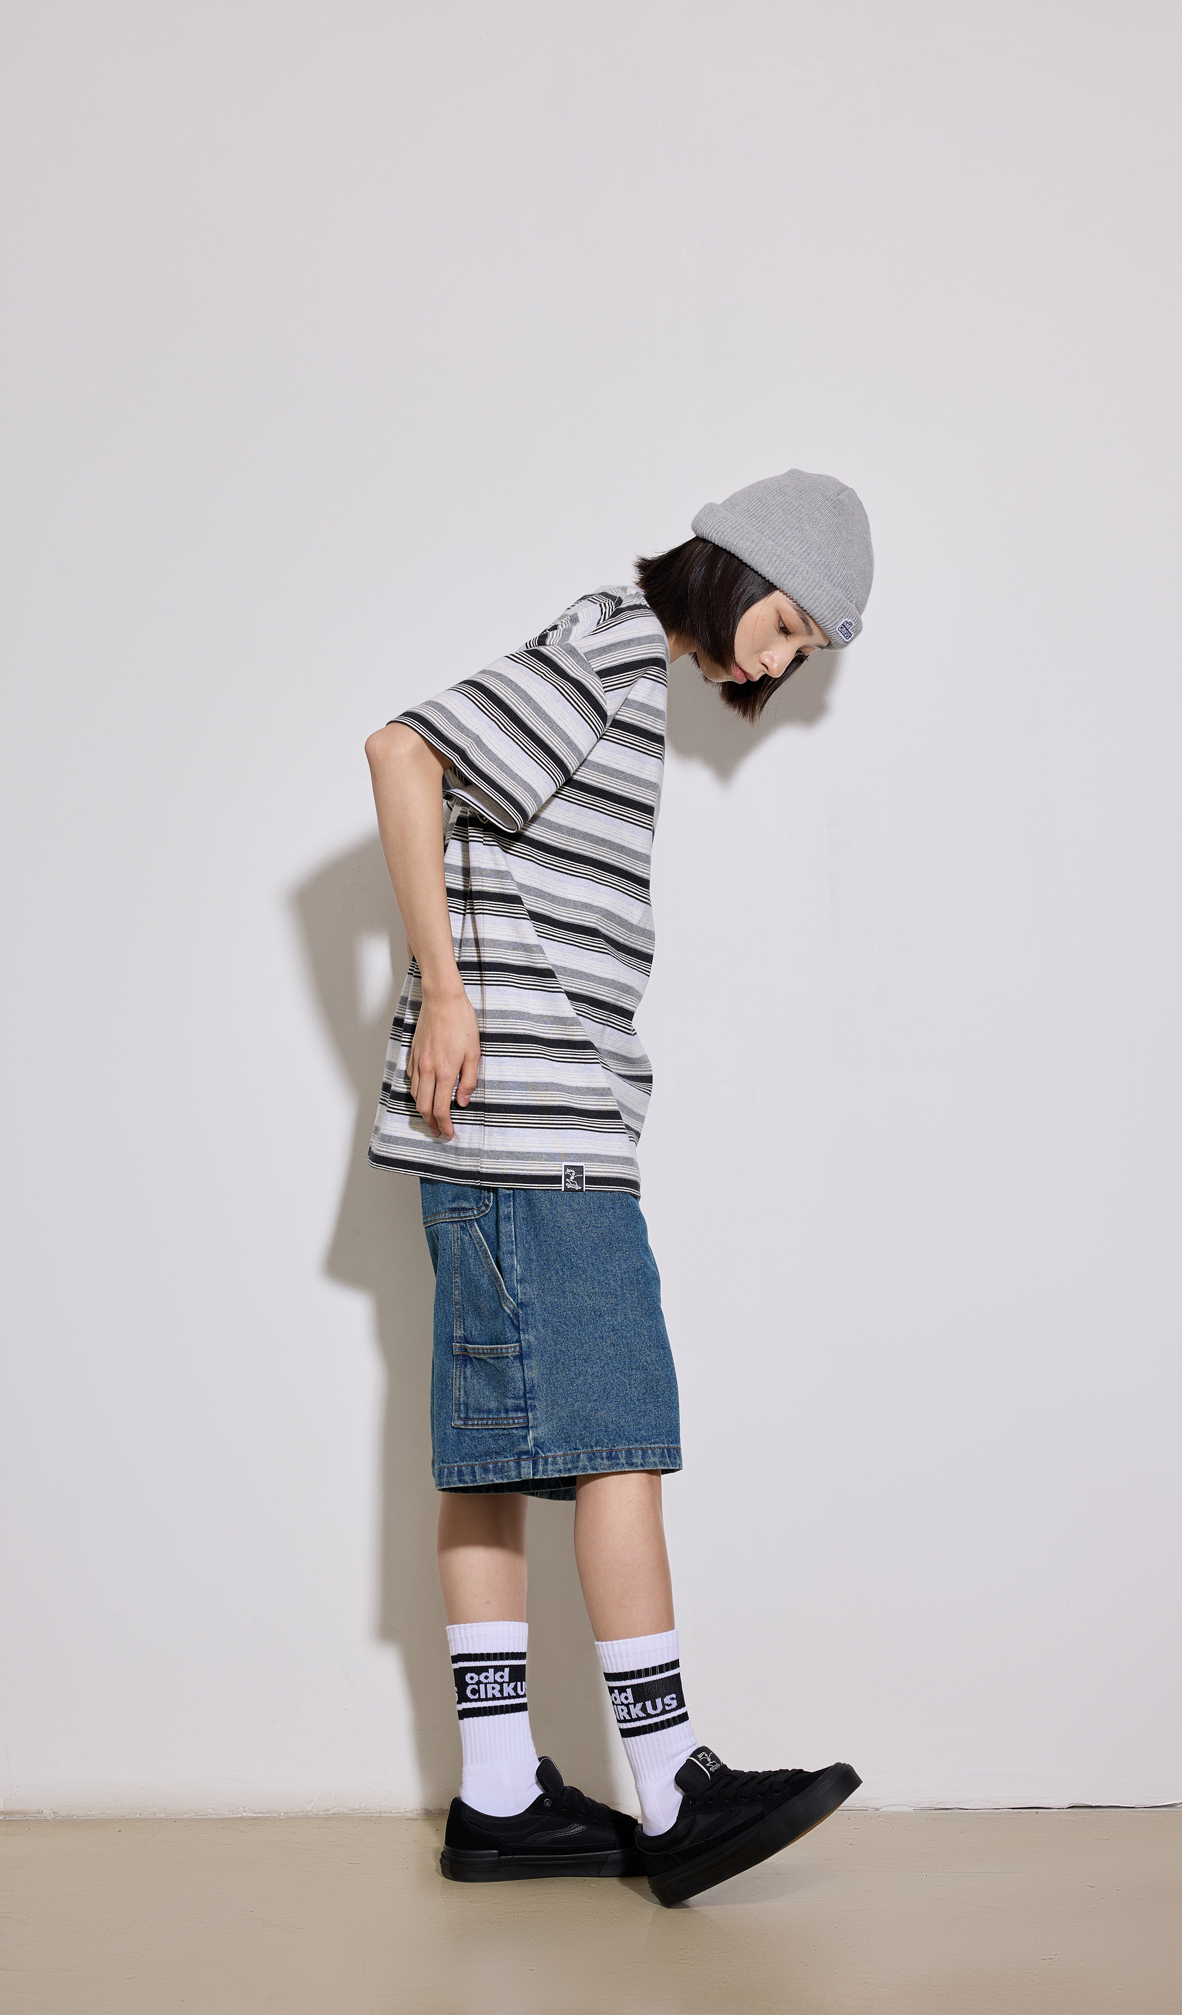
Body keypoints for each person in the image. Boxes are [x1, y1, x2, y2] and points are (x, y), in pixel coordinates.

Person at [365, 468, 873, 1906]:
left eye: (800, 653)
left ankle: (498, 1794)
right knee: (621, 1439)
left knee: (496, 1459)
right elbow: (403, 750)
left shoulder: (628, 670)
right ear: (744, 569)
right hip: (537, 1129)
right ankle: (673, 1789)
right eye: (787, 627)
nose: (773, 665)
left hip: (511, 1135)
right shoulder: (604, 644)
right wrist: (447, 990)